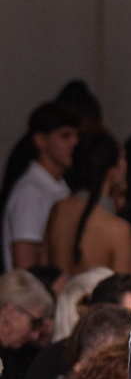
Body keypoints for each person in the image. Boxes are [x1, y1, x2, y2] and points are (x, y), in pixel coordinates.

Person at [1, 102, 80, 272]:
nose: (74, 142)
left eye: (76, 135)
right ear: (41, 140)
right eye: (65, 136)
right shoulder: (31, 192)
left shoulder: (58, 186)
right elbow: (25, 267)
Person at [44, 132, 131, 276]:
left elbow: (44, 270)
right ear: (112, 172)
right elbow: (125, 287)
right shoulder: (118, 230)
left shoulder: (58, 209)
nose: (126, 164)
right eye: (123, 158)